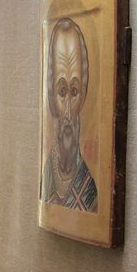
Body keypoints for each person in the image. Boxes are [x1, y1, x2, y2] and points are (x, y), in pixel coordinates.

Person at [42, 16, 98, 211]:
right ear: (50, 94)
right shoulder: (44, 176)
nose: (67, 113)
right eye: (62, 91)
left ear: (83, 94)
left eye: (73, 92)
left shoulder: (90, 191)